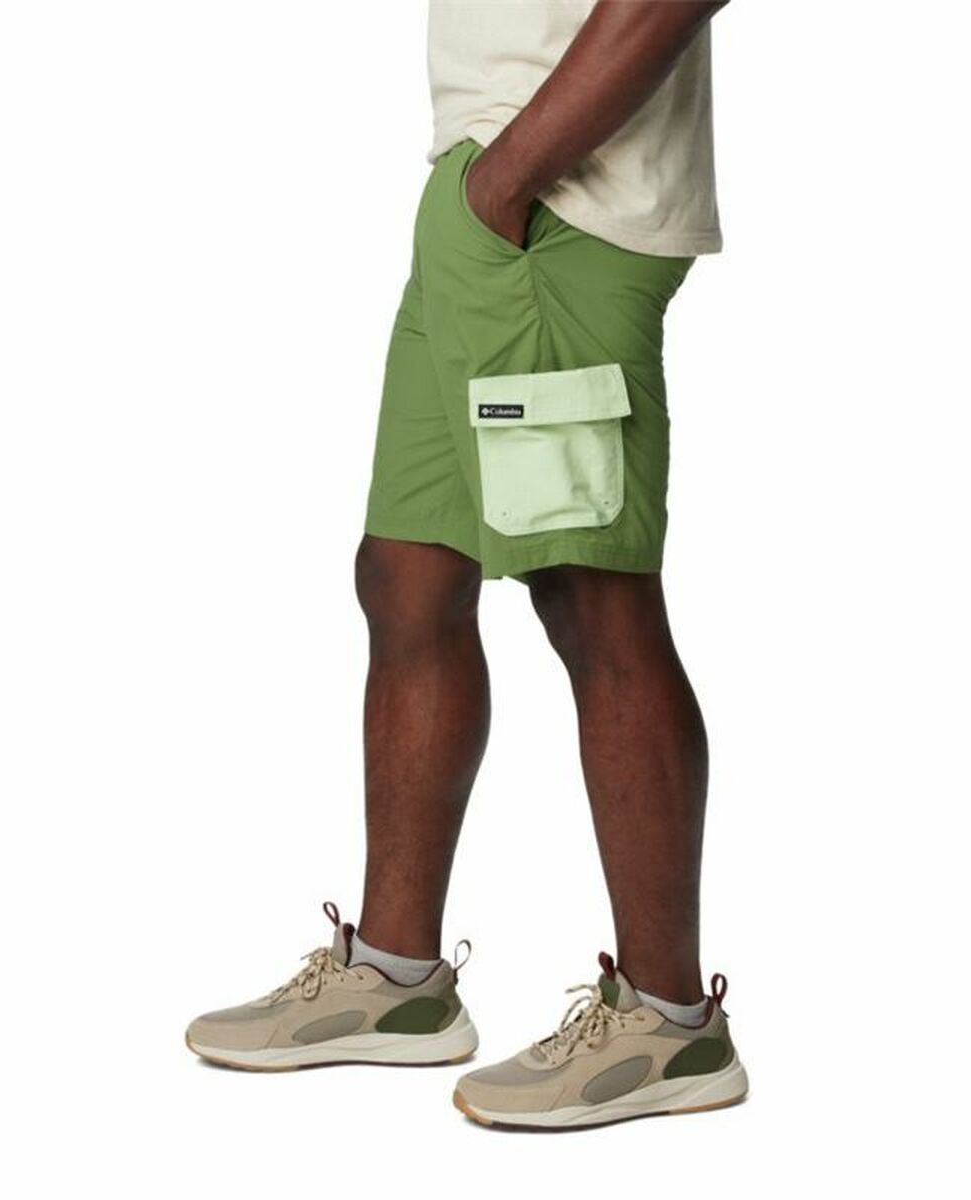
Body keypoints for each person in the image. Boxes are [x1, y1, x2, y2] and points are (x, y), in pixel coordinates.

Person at [187, 0, 748, 1130]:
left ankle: (668, 1022)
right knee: (407, 573)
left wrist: (507, 181)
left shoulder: (530, 190)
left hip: (560, 208)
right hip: (489, 205)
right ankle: (395, 981)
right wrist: (477, 194)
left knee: (590, 596)